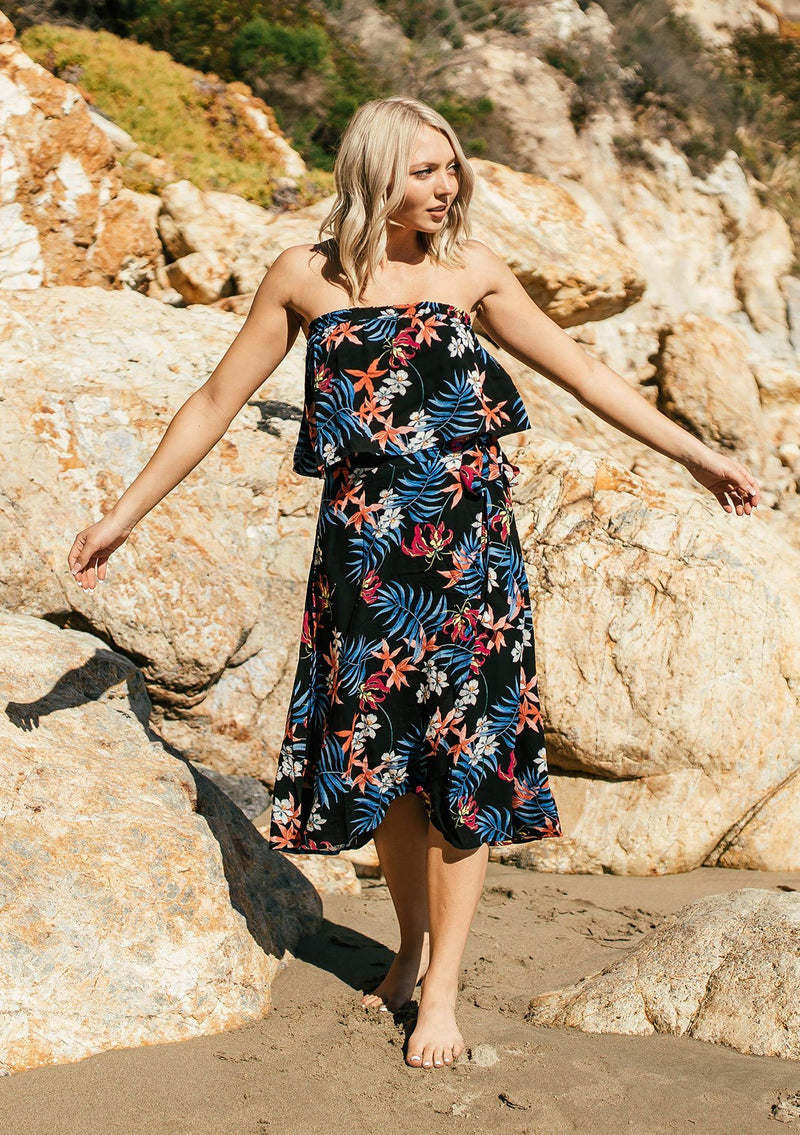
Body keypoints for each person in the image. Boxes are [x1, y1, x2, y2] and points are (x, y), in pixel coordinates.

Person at [68, 96, 760, 1073]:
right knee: (386, 769)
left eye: (451, 169)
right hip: (361, 558)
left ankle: (441, 991)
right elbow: (215, 400)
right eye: (425, 171)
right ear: (374, 174)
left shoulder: (468, 272)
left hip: (471, 557)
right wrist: (121, 514)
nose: (445, 187)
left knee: (463, 767)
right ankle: (405, 948)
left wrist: (695, 455)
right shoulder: (303, 277)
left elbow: (576, 368)